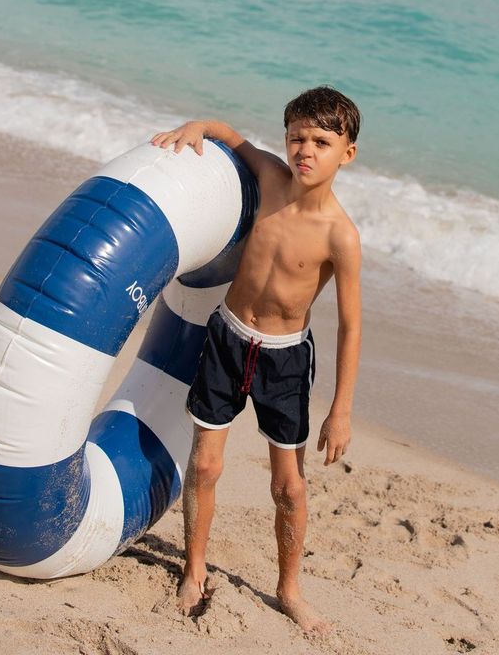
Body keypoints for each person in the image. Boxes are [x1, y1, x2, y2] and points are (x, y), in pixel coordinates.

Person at [150, 85, 362, 635]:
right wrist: (197, 127)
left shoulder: (340, 235)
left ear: (347, 153)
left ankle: (289, 590)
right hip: (228, 336)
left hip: (284, 361)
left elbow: (351, 327)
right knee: (205, 466)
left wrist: (340, 410)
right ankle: (194, 570)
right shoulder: (270, 176)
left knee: (288, 486)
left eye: (321, 142)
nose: (305, 150)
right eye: (296, 138)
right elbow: (230, 136)